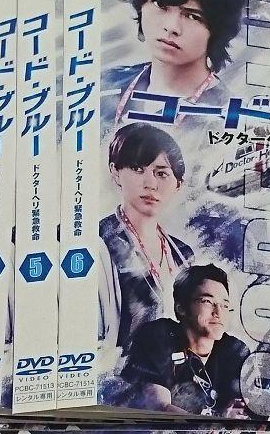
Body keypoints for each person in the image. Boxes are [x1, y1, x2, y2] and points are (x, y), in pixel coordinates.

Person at [106, 0, 245, 126]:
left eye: (192, 16)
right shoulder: (107, 84)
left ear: (216, 31)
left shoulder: (225, 116)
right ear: (140, 5)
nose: (172, 27)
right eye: (160, 5)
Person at [98, 123, 193, 356]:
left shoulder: (183, 254)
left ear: (178, 184)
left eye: (162, 173)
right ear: (115, 172)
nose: (150, 184)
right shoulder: (99, 240)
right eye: (137, 169)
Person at [118, 264, 250, 416]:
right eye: (207, 301)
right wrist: (214, 424)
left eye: (225, 305)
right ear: (181, 307)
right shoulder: (158, 336)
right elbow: (160, 408)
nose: (218, 313)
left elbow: (243, 410)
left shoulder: (235, 350)